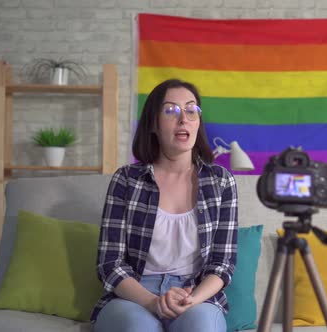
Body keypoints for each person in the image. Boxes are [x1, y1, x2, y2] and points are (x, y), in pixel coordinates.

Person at [91, 79, 238, 332]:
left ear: (198, 122)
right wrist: (152, 302)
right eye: (171, 110)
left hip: (195, 295)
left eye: (191, 110)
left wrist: (192, 299)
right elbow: (110, 263)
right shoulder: (127, 180)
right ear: (153, 125)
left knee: (202, 327)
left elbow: (222, 264)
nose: (183, 119)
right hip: (134, 295)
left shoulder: (221, 181)